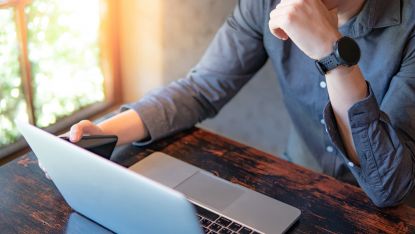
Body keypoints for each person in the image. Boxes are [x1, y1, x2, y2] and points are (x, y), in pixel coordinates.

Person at [63, 0, 415, 207]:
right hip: (298, 186)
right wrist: (103, 133)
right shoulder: (265, 4)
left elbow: (387, 187)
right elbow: (201, 88)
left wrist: (333, 55)